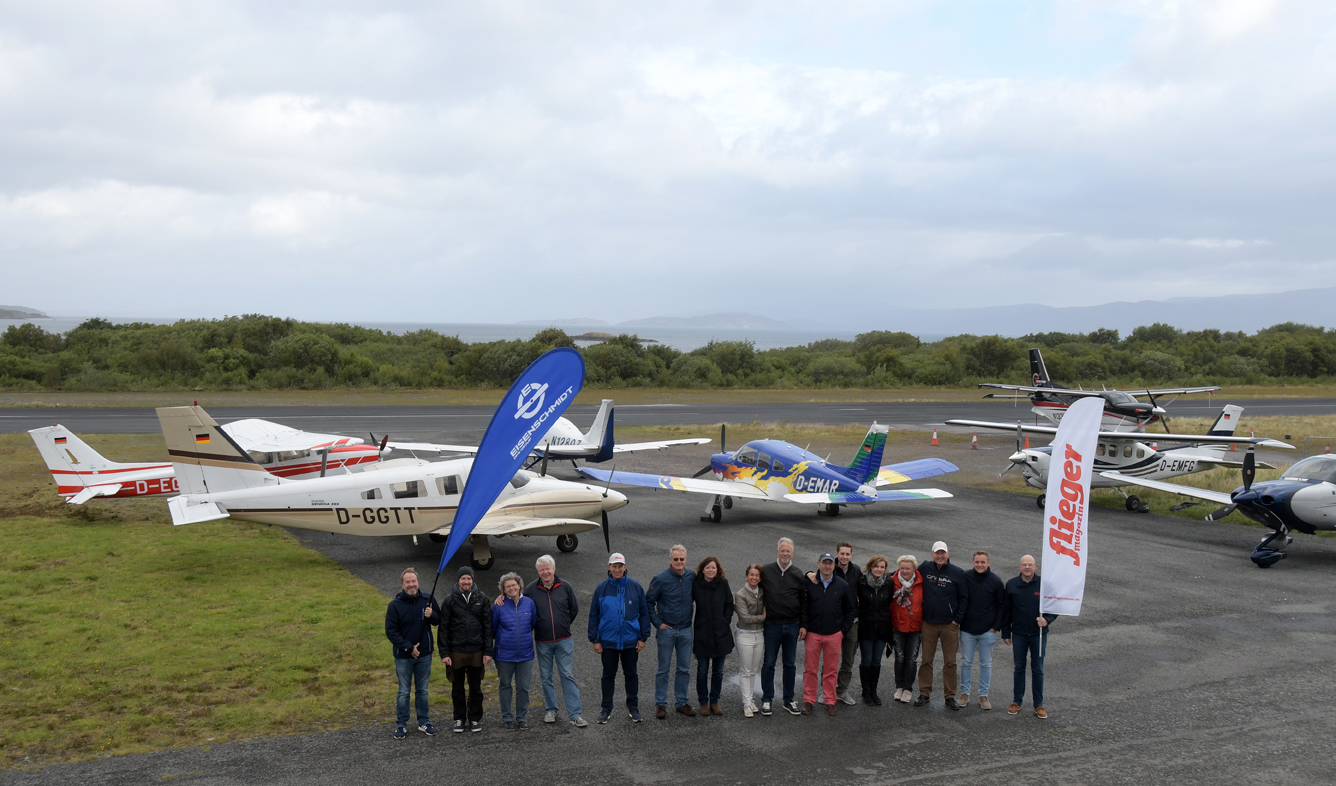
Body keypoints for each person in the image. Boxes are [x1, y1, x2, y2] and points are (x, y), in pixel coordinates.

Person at [588, 552, 651, 724]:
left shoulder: (635, 587)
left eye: (620, 566)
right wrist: (595, 639)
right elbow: (594, 614)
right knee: (608, 675)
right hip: (608, 641)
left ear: (625, 567)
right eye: (614, 566)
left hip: (631, 640)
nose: (617, 569)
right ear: (609, 567)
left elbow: (644, 613)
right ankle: (606, 709)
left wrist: (643, 637)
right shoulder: (601, 588)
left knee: (631, 674)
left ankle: (633, 707)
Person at [526, 555, 587, 727]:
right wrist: (502, 598)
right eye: (542, 569)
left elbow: (573, 609)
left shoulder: (565, 586)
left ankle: (575, 714)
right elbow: (520, 605)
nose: (545, 572)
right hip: (542, 641)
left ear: (554, 569)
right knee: (546, 677)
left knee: (567, 675)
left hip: (564, 640)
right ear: (538, 571)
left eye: (548, 568)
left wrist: (564, 625)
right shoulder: (531, 589)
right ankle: (551, 709)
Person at [384, 567, 440, 740]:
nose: (411, 584)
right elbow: (391, 631)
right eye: (407, 582)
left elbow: (439, 620)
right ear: (402, 584)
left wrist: (432, 616)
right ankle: (401, 724)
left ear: (418, 582)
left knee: (422, 690)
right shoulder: (395, 605)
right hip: (404, 656)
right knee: (403, 692)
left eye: (413, 581)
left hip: (424, 655)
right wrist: (409, 647)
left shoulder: (427, 599)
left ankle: (424, 722)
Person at [914, 541, 969, 710]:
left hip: (949, 625)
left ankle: (950, 696)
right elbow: (907, 574)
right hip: (928, 623)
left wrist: (957, 619)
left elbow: (964, 598)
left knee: (950, 662)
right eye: (937, 553)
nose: (940, 556)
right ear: (932, 554)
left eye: (943, 553)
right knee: (926, 660)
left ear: (948, 554)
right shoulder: (925, 568)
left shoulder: (957, 573)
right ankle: (924, 693)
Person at [1001, 554, 1056, 719]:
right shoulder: (1011, 585)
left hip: (1038, 635)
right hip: (1018, 634)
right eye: (1024, 565)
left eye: (1030, 565)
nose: (1027, 567)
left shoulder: (1044, 585)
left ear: (1036, 567)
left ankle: (1038, 704)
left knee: (1037, 669)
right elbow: (1006, 611)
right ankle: (1017, 701)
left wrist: (1047, 619)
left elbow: (1055, 605)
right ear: (1019, 567)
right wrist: (1006, 633)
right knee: (1019, 668)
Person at [439, 566, 492, 733]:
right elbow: (443, 629)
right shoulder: (449, 600)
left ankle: (475, 718)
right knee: (457, 687)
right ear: (458, 580)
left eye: (469, 578)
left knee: (475, 687)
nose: (466, 581)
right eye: (463, 579)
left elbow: (488, 627)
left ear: (472, 580)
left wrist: (488, 651)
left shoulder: (482, 599)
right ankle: (459, 718)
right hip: (456, 651)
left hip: (477, 651)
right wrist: (444, 653)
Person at [802, 552, 855, 716]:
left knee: (831, 671)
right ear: (818, 564)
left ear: (834, 565)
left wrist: (842, 631)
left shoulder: (842, 585)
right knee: (810, 669)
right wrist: (805, 626)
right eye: (824, 563)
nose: (827, 566)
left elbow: (850, 610)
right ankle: (808, 701)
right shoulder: (810, 583)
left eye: (830, 563)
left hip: (834, 634)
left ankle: (830, 700)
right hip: (813, 633)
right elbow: (803, 607)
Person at [760, 537, 808, 716]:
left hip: (792, 625)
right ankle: (766, 699)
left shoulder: (798, 573)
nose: (785, 554)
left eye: (788, 551)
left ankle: (789, 699)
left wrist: (803, 625)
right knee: (769, 662)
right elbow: (752, 580)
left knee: (790, 664)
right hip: (772, 625)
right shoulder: (766, 571)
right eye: (782, 551)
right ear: (777, 552)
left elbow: (804, 602)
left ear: (792, 553)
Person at [647, 545, 696, 718]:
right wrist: (657, 623)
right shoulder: (660, 579)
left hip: (685, 630)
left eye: (682, 559)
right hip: (666, 630)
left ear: (686, 559)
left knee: (684, 668)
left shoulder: (691, 576)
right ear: (670, 560)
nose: (679, 562)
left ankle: (681, 702)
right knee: (663, 669)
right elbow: (648, 602)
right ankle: (660, 704)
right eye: (675, 559)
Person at [959, 550, 1005, 711]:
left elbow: (1001, 606)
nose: (980, 565)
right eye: (977, 562)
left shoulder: (996, 581)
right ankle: (964, 693)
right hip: (967, 630)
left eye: (983, 562)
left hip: (988, 631)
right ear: (973, 562)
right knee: (966, 662)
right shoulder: (965, 577)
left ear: (988, 563)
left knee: (986, 664)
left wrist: (995, 627)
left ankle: (983, 695)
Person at [491, 572, 537, 730]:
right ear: (503, 590)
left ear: (519, 586)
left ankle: (522, 717)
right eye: (507, 586)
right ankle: (507, 717)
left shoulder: (529, 603)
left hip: (525, 654)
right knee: (505, 685)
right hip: (504, 655)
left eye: (514, 585)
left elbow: (532, 623)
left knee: (523, 687)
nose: (511, 588)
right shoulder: (498, 605)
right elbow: (493, 628)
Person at [691, 556, 734, 716]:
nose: (710, 570)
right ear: (702, 569)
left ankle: (714, 700)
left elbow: (729, 603)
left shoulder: (723, 583)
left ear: (718, 570)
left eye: (713, 568)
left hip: (721, 633)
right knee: (702, 670)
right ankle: (703, 701)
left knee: (719, 671)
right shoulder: (696, 584)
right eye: (708, 567)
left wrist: (725, 620)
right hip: (702, 633)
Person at [855, 555, 894, 706]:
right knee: (867, 659)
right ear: (870, 567)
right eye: (876, 566)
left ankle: (873, 691)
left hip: (883, 627)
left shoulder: (889, 583)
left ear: (885, 569)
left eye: (882, 567)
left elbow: (889, 601)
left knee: (877, 660)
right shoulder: (862, 582)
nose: (879, 569)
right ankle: (865, 692)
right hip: (866, 626)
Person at [889, 555, 923, 703]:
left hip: (915, 626)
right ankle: (899, 687)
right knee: (899, 658)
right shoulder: (891, 581)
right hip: (898, 625)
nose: (904, 571)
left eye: (908, 568)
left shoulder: (922, 582)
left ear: (914, 569)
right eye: (902, 568)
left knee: (911, 659)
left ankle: (908, 689)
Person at [734, 564, 766, 717]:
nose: (754, 578)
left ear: (760, 578)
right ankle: (746, 703)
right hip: (745, 634)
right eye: (751, 575)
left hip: (759, 634)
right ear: (746, 576)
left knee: (753, 670)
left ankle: (751, 699)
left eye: (757, 575)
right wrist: (763, 618)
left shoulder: (762, 592)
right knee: (745, 670)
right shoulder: (740, 594)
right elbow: (745, 618)